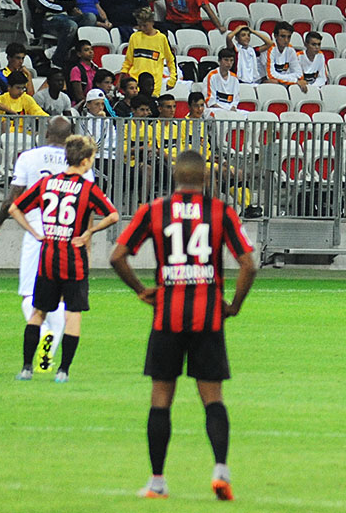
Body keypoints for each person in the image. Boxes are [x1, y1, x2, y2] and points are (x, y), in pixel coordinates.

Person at [110, 150, 256, 501]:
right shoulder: (221, 212)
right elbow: (248, 264)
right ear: (205, 179)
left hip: (167, 316)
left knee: (161, 397)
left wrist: (142, 290)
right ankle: (221, 470)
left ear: (175, 177)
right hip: (208, 316)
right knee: (213, 398)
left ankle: (157, 481)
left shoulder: (153, 211)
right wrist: (233, 305)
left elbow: (117, 256)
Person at [8, 134, 119, 382]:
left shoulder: (47, 183)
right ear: (87, 161)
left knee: (38, 312)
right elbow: (113, 216)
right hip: (74, 260)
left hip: (48, 256)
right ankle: (63, 371)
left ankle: (26, 368)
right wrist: (89, 232)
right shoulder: (88, 189)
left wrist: (35, 232)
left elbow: (15, 207)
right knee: (73, 314)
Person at [0, 116, 90, 372]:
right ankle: (50, 349)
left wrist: (0, 222)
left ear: (47, 133)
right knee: (60, 297)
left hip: (37, 230)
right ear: (71, 136)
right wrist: (88, 237)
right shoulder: (80, 162)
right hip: (69, 235)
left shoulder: (28, 157)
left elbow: (15, 198)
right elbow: (89, 203)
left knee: (29, 293)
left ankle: (42, 329)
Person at [27, 0, 95, 69]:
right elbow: (43, 4)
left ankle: (57, 50)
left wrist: (56, 2)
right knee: (71, 25)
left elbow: (72, 2)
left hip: (65, 18)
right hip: (47, 20)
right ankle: (58, 60)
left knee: (90, 17)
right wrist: (62, 3)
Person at [121, 8, 177, 97]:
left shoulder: (161, 38)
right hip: (135, 85)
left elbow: (170, 60)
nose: (142, 28)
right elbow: (128, 61)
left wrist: (172, 78)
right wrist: (122, 78)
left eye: (145, 25)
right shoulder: (134, 37)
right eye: (140, 26)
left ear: (152, 22)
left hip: (153, 86)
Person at [80, 88, 120, 191]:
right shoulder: (83, 122)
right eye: (96, 104)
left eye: (102, 104)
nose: (100, 107)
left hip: (110, 157)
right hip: (95, 158)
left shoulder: (107, 121)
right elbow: (94, 143)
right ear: (88, 105)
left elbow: (114, 140)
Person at [264, 22, 302, 86]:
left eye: (289, 37)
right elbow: (271, 75)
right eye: (283, 36)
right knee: (273, 82)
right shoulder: (269, 49)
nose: (286, 40)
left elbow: (299, 74)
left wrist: (290, 80)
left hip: (282, 81)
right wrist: (294, 80)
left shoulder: (291, 50)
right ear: (275, 36)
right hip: (263, 81)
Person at [67, 39, 97, 108]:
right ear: (79, 54)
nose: (90, 52)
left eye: (91, 49)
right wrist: (91, 105)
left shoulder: (95, 69)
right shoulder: (76, 70)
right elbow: (79, 96)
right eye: (86, 50)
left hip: (96, 104)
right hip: (81, 105)